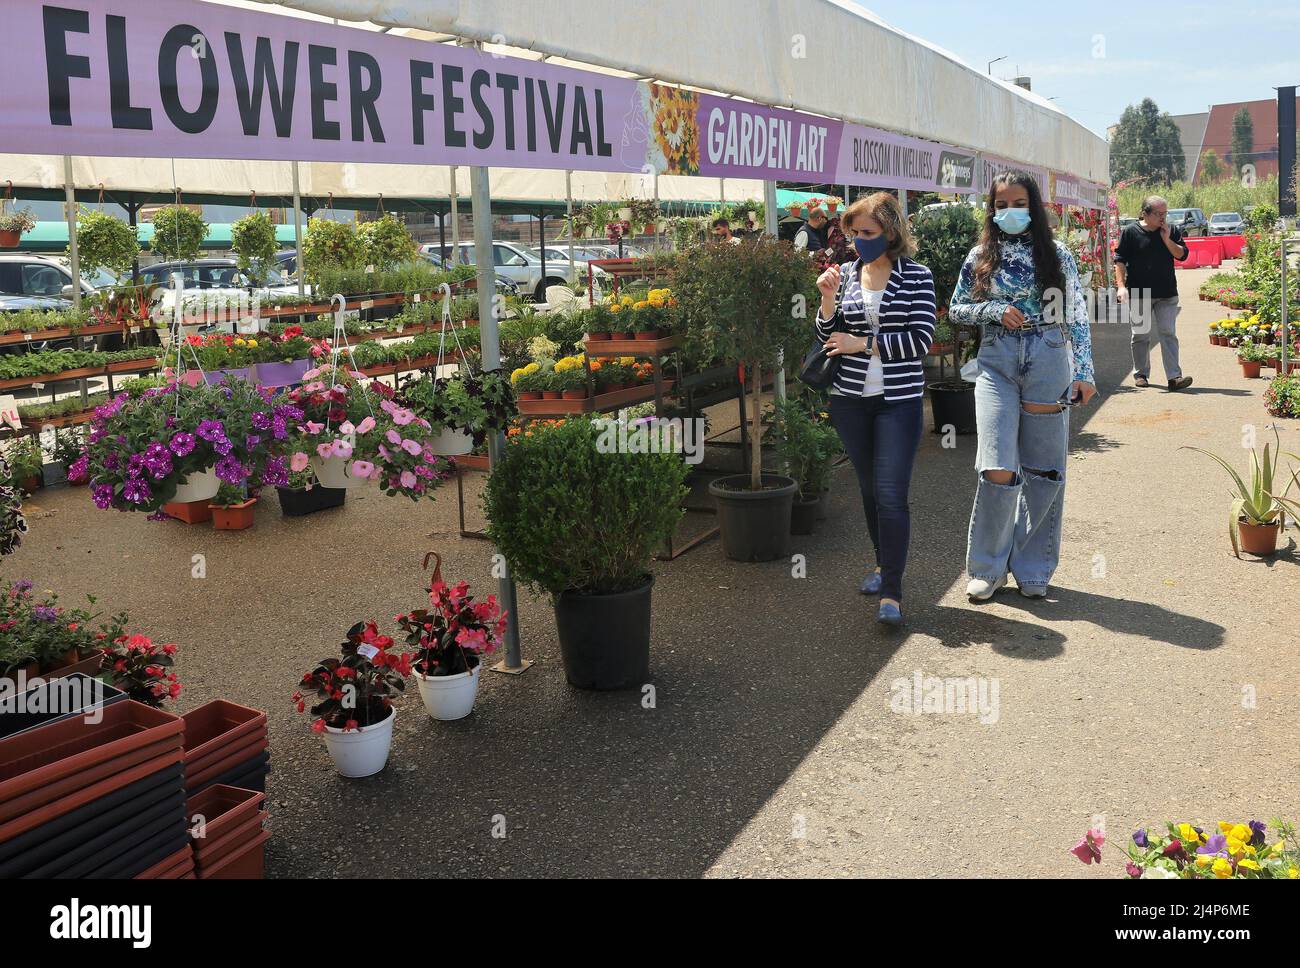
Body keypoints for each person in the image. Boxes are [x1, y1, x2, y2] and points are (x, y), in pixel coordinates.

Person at [949, 170, 1096, 601]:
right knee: (996, 463)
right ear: (991, 209)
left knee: (1045, 467)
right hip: (997, 360)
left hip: (1048, 355)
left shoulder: (1059, 254)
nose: (1009, 212)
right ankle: (988, 566)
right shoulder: (980, 256)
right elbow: (957, 309)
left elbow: (1077, 313)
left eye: (1018, 204)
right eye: (1000, 205)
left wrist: (1085, 371)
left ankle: (1033, 566)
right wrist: (993, 309)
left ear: (1033, 206)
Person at [815, 192, 937, 626]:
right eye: (854, 233)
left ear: (890, 232)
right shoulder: (846, 274)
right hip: (850, 401)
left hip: (898, 403)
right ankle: (882, 565)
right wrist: (827, 300)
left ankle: (893, 593)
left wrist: (863, 345)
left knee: (890, 494)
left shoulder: (918, 277)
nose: (859, 241)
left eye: (867, 233)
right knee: (869, 490)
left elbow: (921, 340)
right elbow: (830, 333)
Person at [1114, 195, 1193, 390]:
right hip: (1140, 293)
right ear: (1144, 213)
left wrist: (1166, 239)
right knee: (1140, 335)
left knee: (1168, 333)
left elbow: (1182, 255)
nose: (1162, 218)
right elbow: (1120, 259)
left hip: (1167, 292)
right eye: (1158, 214)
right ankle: (1141, 373)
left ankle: (1174, 377)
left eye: (1165, 213)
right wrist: (1121, 286)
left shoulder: (1171, 230)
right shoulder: (1131, 232)